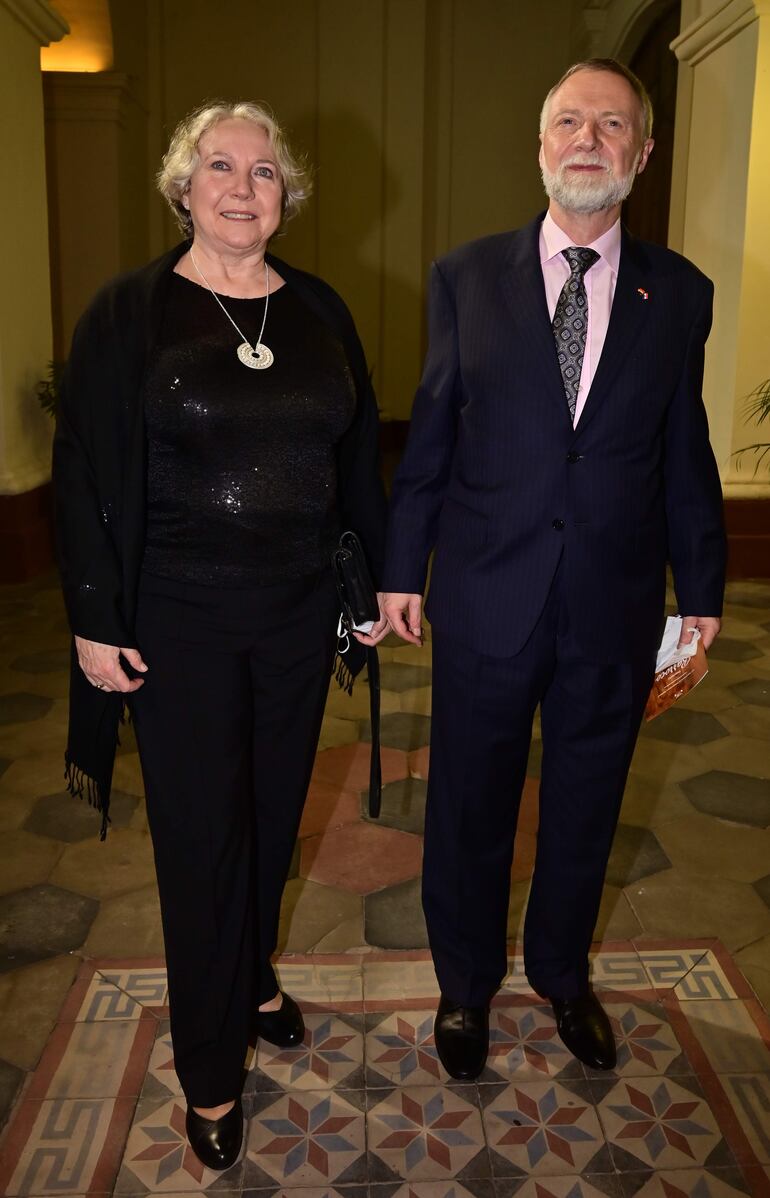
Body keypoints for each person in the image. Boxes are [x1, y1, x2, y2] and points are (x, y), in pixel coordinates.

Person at [53, 101, 388, 1169]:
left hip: (295, 615)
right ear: (181, 188)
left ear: (284, 194)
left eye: (263, 171)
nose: (241, 187)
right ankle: (208, 1064)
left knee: (272, 811)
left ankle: (249, 977)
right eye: (218, 167)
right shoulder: (129, 314)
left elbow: (357, 460)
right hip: (178, 624)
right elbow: (80, 472)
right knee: (201, 842)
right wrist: (94, 618)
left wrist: (370, 587)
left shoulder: (322, 308)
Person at [382, 59, 725, 1081]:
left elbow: (683, 454)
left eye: (609, 125)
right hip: (487, 594)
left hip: (610, 605)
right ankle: (462, 985)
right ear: (539, 146)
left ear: (640, 153)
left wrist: (699, 595)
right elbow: (431, 434)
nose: (587, 139)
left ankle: (562, 974)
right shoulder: (464, 277)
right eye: (567, 122)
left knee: (585, 799)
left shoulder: (681, 295)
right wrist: (405, 566)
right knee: (468, 804)